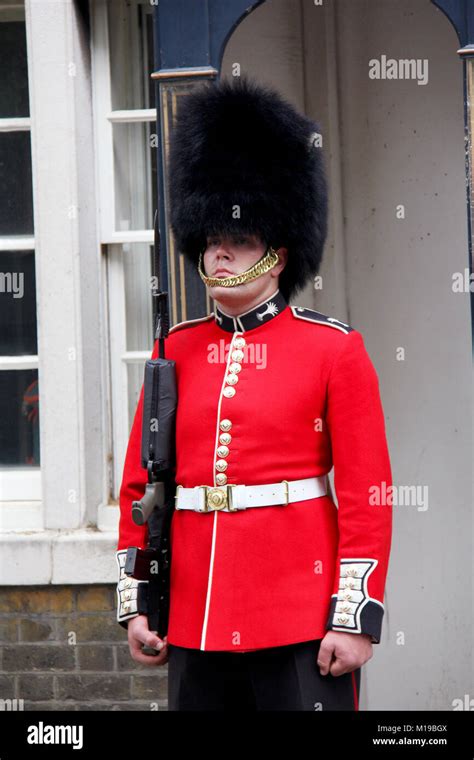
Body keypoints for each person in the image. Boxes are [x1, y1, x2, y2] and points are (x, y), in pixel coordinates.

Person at [115, 75, 392, 711]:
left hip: (301, 620)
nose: (219, 256)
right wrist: (136, 601)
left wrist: (354, 616)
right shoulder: (174, 350)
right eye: (210, 242)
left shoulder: (333, 349)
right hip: (194, 619)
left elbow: (365, 497)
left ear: (277, 252)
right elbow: (141, 489)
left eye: (237, 242)